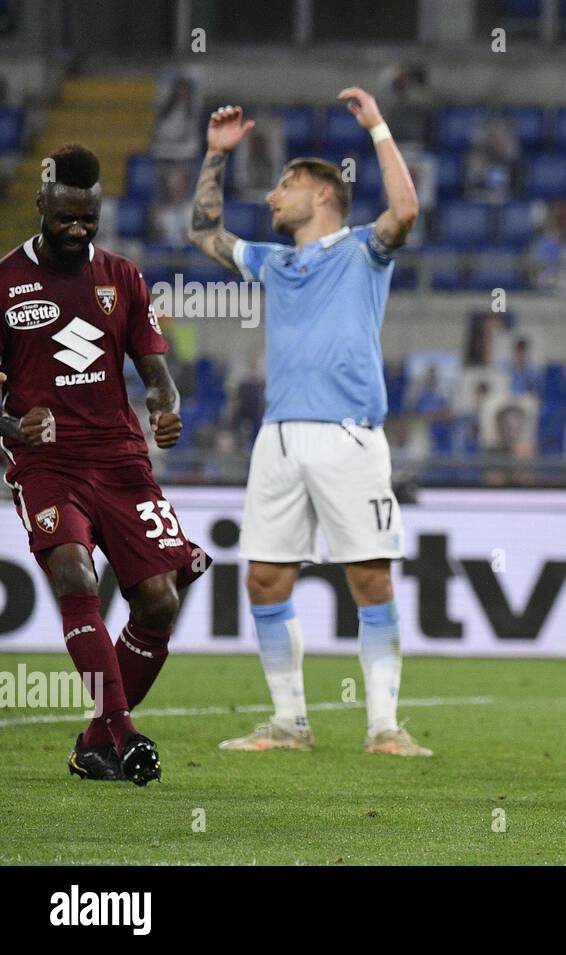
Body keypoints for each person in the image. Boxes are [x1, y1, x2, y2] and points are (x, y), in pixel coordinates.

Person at [186, 89, 427, 756]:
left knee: (370, 579)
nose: (271, 199)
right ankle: (289, 722)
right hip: (279, 437)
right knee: (264, 577)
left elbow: (406, 208)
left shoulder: (362, 251)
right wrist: (214, 155)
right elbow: (204, 233)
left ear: (323, 194)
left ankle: (384, 725)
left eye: (285, 186)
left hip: (348, 434)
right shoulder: (276, 261)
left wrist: (377, 124)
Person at [0, 143, 208, 785]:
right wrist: (13, 426)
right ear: (41, 204)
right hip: (46, 464)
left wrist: (165, 408)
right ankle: (124, 735)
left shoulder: (123, 277)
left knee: (160, 602)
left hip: (120, 461)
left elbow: (157, 375)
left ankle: (94, 743)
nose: (77, 228)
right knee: (76, 577)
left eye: (88, 218)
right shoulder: (4, 282)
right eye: (65, 216)